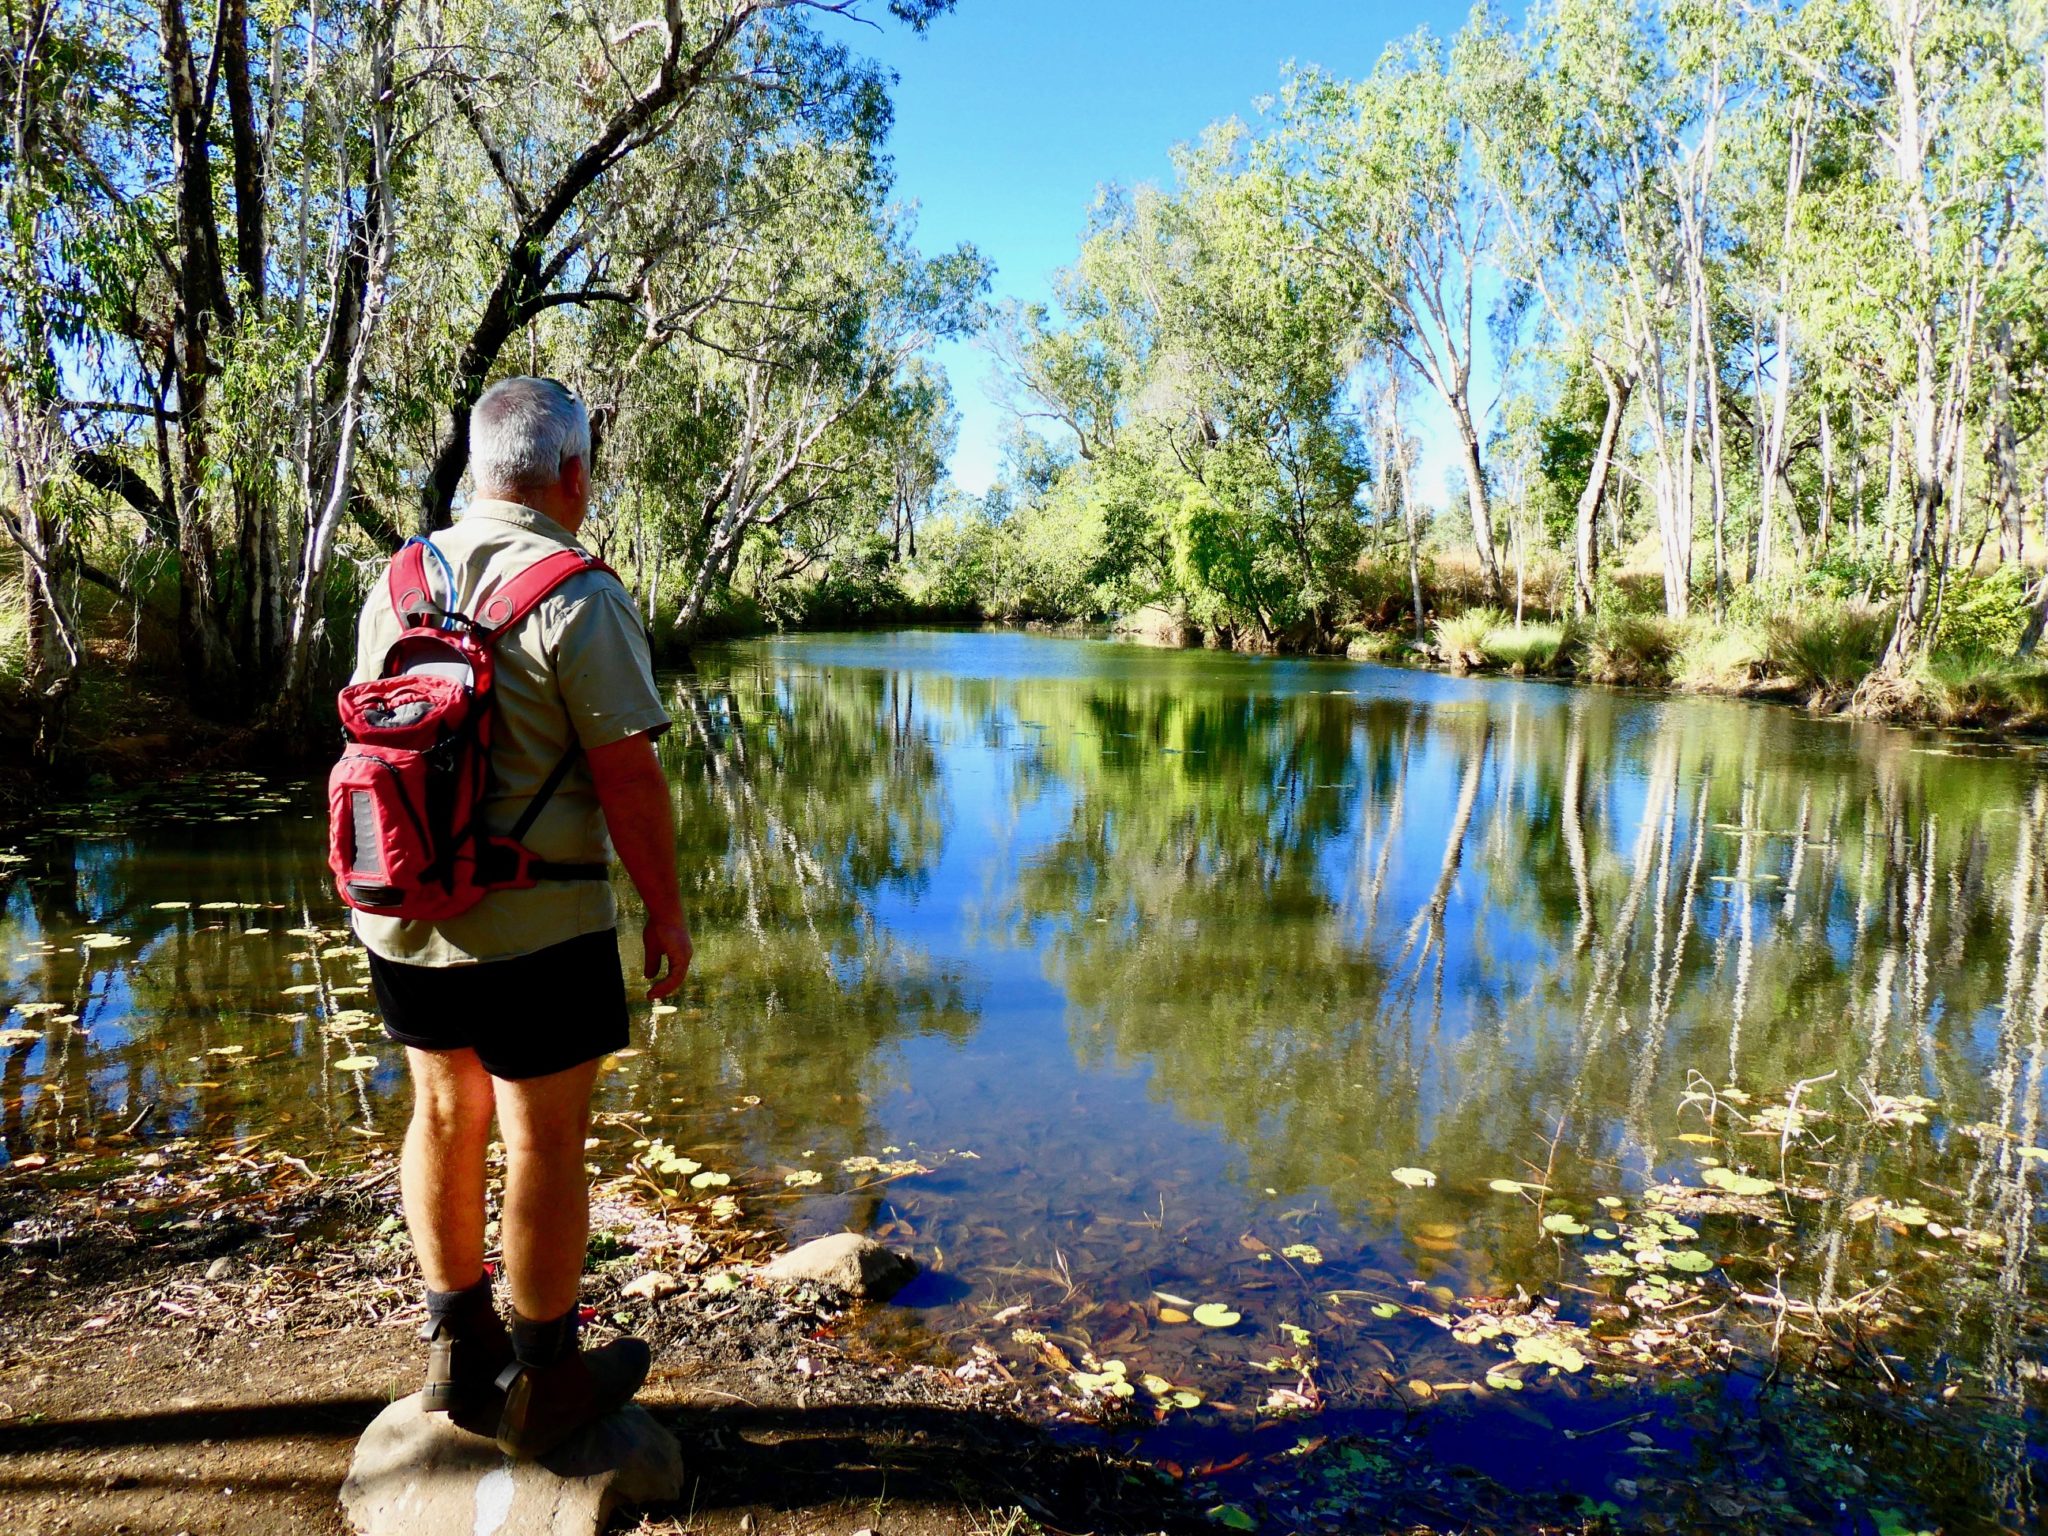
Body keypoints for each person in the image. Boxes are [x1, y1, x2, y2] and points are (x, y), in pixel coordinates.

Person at [350, 376, 692, 1458]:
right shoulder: (576, 591)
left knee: (442, 1114)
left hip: (401, 911)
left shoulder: (396, 582)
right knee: (542, 1137)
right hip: (539, 926)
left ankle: (458, 1349)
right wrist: (666, 915)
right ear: (571, 476)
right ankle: (547, 1376)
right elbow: (629, 781)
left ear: (475, 467)